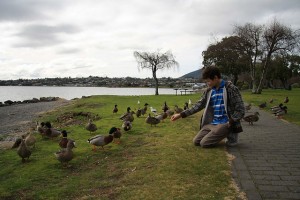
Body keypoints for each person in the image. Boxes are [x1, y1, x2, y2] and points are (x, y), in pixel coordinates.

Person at [171, 66, 245, 147]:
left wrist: (231, 121)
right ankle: (215, 134)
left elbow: (240, 109)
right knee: (196, 141)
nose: (207, 84)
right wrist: (181, 114)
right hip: (212, 123)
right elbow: (198, 105)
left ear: (216, 78)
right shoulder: (209, 91)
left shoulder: (230, 89)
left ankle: (227, 135)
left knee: (204, 143)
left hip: (226, 123)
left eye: (208, 81)